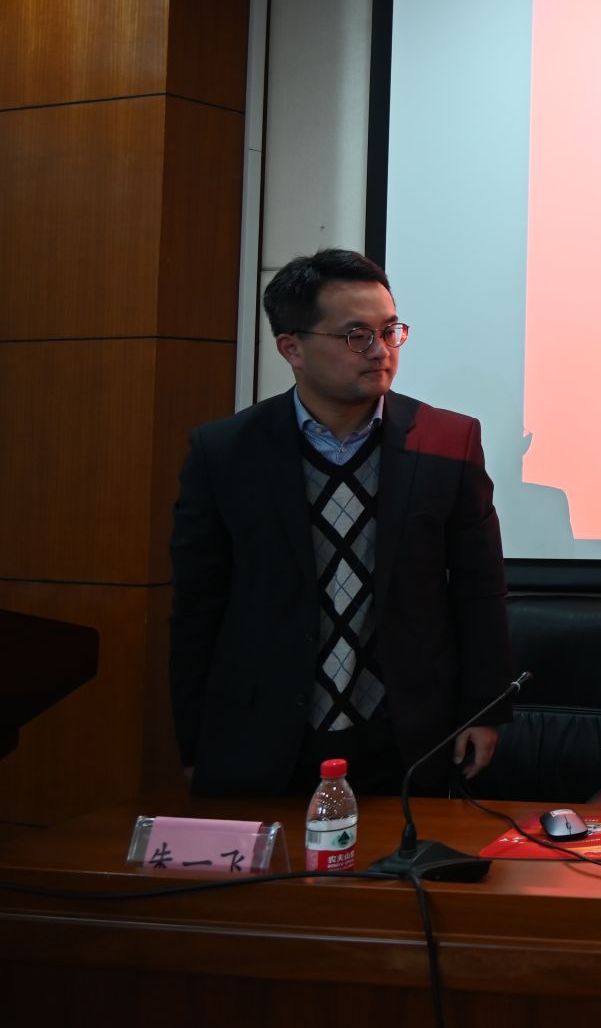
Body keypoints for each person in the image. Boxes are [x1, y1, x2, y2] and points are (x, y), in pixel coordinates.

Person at [169, 250, 512, 797]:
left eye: (390, 331)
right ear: (292, 348)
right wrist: (193, 740)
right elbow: (198, 606)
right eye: (356, 335)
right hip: (264, 732)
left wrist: (484, 708)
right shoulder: (225, 451)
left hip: (406, 730)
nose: (380, 351)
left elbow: (480, 588)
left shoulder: (449, 442)